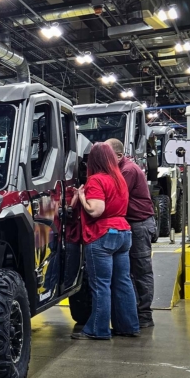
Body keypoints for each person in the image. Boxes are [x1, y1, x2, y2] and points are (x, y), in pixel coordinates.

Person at [72, 142, 140, 340]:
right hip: (123, 233)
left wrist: (82, 197)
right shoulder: (119, 179)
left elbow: (96, 209)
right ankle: (128, 326)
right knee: (123, 282)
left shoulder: (96, 180)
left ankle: (98, 329)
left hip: (102, 235)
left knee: (101, 284)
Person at [106, 138, 157, 328]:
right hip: (132, 225)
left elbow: (116, 198)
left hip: (139, 225)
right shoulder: (121, 168)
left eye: (107, 154)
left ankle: (144, 315)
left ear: (119, 156)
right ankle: (135, 313)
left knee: (141, 271)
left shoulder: (127, 170)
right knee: (131, 272)